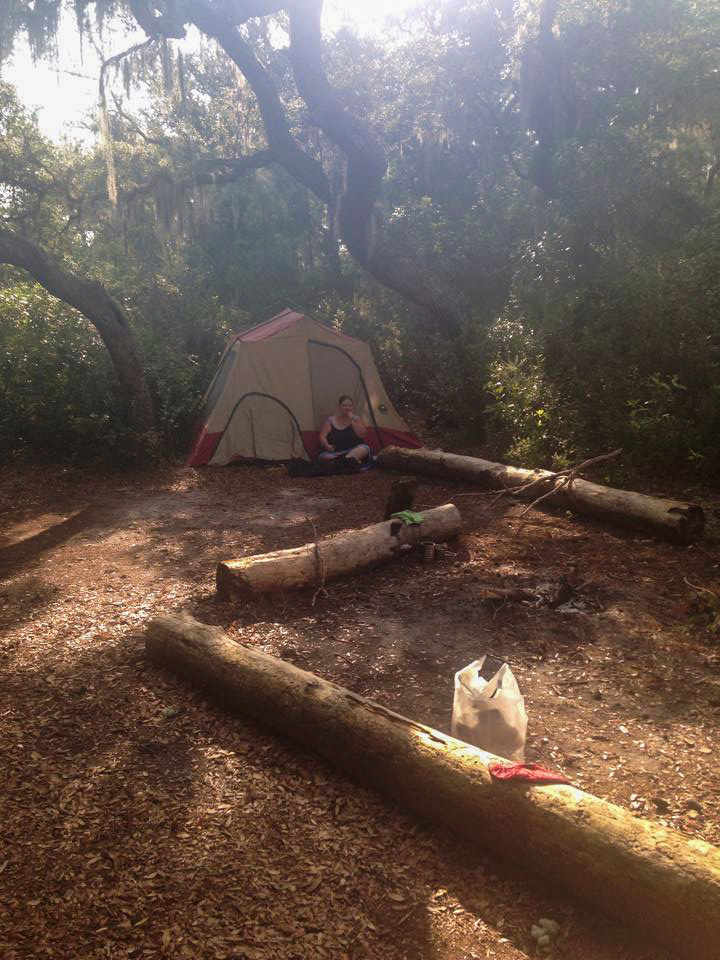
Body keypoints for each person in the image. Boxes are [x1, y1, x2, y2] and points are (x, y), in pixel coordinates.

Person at [318, 395, 371, 463]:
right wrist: (326, 445)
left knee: (364, 449)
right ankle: (345, 462)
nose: (347, 408)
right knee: (323, 456)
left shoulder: (356, 419)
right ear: (339, 406)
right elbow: (322, 436)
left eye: (350, 406)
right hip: (335, 453)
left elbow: (362, 435)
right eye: (345, 405)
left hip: (353, 451)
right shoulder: (330, 420)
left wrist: (354, 421)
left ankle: (339, 462)